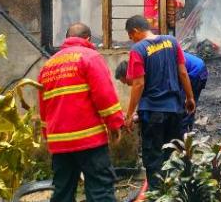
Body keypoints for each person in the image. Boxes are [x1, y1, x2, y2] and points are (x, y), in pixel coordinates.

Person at [38, 23, 124, 202]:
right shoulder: (90, 57)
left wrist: (47, 135)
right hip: (89, 141)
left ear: (66, 39)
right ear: (88, 40)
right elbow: (104, 95)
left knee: (63, 192)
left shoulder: (48, 65)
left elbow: (44, 107)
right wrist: (115, 124)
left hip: (59, 143)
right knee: (100, 191)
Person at [124, 15, 195, 190]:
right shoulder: (172, 41)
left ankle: (158, 195)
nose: (132, 41)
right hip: (175, 110)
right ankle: (176, 194)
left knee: (153, 157)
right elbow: (183, 72)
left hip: (152, 112)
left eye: (131, 37)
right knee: (173, 154)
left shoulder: (138, 50)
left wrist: (129, 113)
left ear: (135, 31)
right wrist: (190, 97)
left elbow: (138, 83)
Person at [115, 51, 208, 134]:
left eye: (127, 83)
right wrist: (137, 114)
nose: (129, 86)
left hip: (195, 71)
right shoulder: (143, 68)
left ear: (129, 74)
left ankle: (183, 142)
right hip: (189, 70)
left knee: (183, 109)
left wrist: (134, 116)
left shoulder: (147, 69)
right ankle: (182, 136)